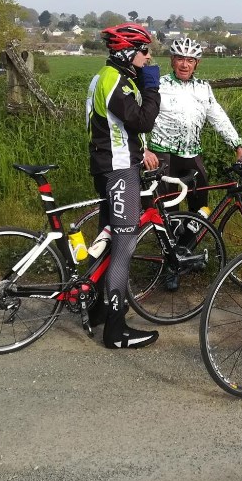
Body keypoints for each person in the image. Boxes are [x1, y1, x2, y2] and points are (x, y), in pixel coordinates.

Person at [86, 23, 161, 349]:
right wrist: (152, 89)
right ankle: (115, 330)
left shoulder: (104, 78)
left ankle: (96, 309)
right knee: (124, 246)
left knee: (108, 240)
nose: (148, 56)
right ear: (127, 51)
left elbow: (120, 126)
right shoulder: (115, 80)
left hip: (108, 165)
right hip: (118, 172)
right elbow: (143, 119)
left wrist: (140, 149)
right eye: (145, 50)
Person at [143, 36, 242, 213]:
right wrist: (144, 149)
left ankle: (191, 240)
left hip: (192, 153)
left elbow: (218, 118)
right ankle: (171, 239)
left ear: (196, 63)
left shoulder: (203, 88)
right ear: (172, 60)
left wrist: (237, 146)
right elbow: (141, 118)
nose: (184, 65)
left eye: (190, 60)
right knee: (168, 208)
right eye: (180, 59)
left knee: (201, 207)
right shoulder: (159, 85)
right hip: (163, 154)